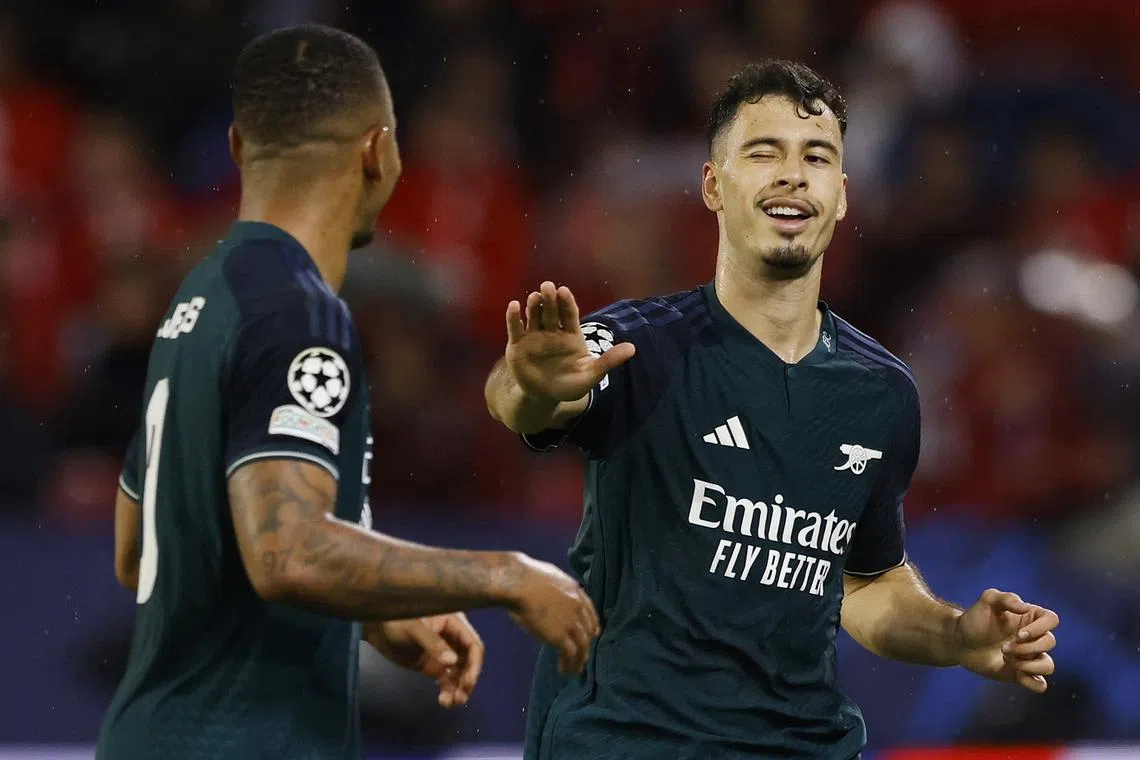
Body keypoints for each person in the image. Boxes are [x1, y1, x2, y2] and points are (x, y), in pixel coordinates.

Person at [484, 59, 1060, 760]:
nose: (793, 174)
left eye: (816, 157)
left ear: (841, 196)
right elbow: (526, 403)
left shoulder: (882, 392)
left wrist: (956, 636)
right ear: (713, 186)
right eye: (764, 152)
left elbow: (865, 580)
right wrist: (535, 383)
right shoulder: (641, 345)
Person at [97, 25, 599, 760]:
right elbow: (288, 552)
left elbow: (138, 549)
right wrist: (507, 573)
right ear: (379, 153)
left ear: (239, 148)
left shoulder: (201, 299)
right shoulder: (298, 310)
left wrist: (376, 612)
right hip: (243, 744)